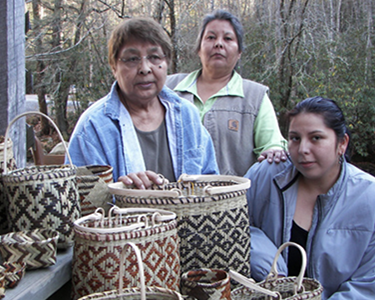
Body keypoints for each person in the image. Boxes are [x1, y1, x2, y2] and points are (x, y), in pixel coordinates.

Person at [245, 96, 375, 299]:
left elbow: (368, 283)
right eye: (295, 138)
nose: (303, 149)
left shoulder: (369, 197)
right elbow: (232, 228)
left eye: (316, 138)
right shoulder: (264, 177)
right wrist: (272, 269)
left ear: (342, 143)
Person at [67, 17, 219, 189]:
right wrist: (123, 192)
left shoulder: (187, 116)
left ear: (166, 62)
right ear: (113, 66)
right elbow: (78, 200)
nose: (145, 68)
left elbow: (211, 184)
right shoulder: (92, 127)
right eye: (132, 59)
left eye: (154, 57)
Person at [166, 10, 287, 176]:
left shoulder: (254, 96)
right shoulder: (169, 88)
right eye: (211, 37)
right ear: (199, 49)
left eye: (228, 38)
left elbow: (272, 146)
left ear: (239, 53)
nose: (218, 44)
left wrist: (274, 150)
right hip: (170, 199)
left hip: (232, 199)